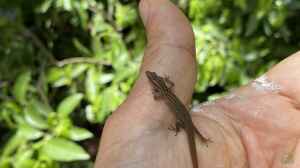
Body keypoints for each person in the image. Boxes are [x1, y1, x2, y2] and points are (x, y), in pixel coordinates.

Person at [95, 0, 300, 167]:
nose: (151, 78)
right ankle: (200, 140)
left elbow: (160, 95)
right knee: (192, 131)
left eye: (152, 78)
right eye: (152, 78)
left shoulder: (159, 93)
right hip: (183, 115)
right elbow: (168, 89)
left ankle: (197, 139)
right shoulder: (164, 90)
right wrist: (164, 82)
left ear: (154, 83)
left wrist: (160, 91)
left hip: (183, 116)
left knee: (189, 129)